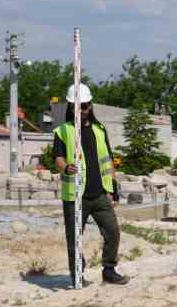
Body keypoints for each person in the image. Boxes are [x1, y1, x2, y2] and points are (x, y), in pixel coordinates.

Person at [52, 85, 127, 286]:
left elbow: (108, 160)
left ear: (90, 106)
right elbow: (57, 158)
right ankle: (77, 274)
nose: (83, 110)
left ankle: (109, 270)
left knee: (112, 231)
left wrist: (113, 187)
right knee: (74, 238)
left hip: (100, 194)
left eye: (85, 106)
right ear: (71, 107)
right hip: (75, 196)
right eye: (79, 106)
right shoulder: (63, 131)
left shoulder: (99, 129)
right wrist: (66, 167)